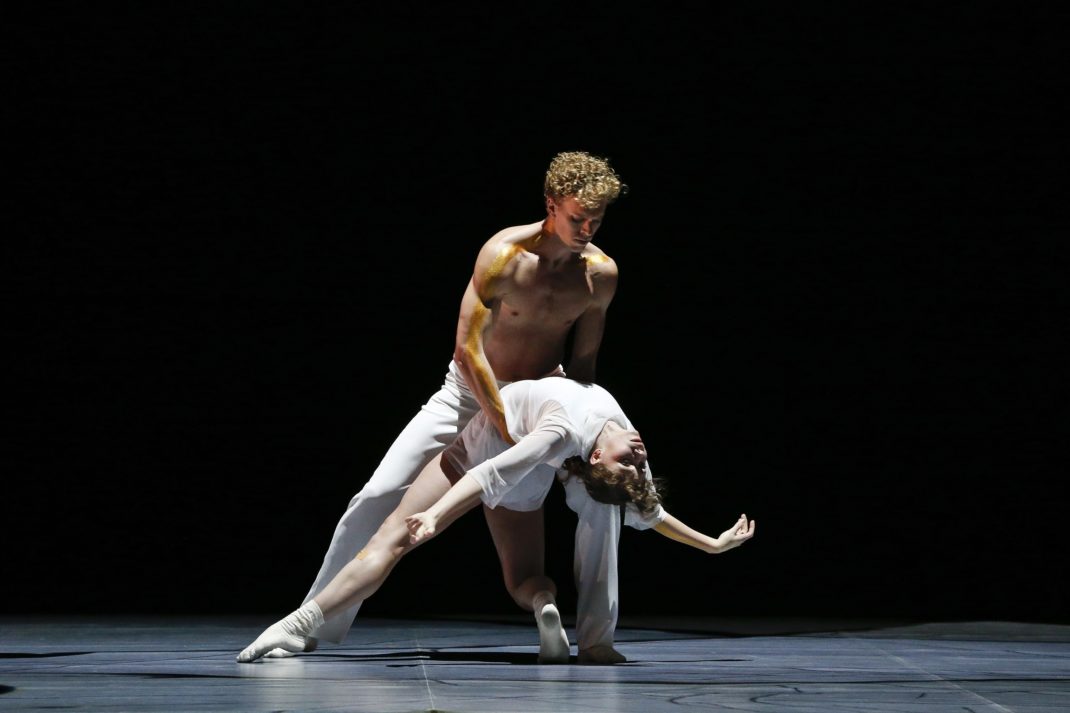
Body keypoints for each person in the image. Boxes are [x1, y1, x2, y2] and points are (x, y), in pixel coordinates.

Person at [271, 151, 638, 663]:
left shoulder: (600, 275)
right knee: (377, 492)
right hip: (469, 393)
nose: (587, 229)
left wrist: (582, 437)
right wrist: (497, 419)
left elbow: (584, 364)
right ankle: (311, 622)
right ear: (551, 205)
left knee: (604, 499)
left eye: (596, 221)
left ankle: (597, 641)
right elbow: (468, 350)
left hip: (539, 402)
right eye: (578, 218)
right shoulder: (504, 255)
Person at [237, 376, 756, 664]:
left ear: (596, 461)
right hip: (523, 462)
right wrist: (711, 544)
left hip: (495, 449)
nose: (639, 456)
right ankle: (555, 613)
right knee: (524, 578)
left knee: (393, 536)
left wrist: (435, 514)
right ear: (597, 459)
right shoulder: (619, 445)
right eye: (634, 462)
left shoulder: (573, 438)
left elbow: (490, 472)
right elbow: (650, 507)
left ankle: (294, 624)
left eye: (630, 461)